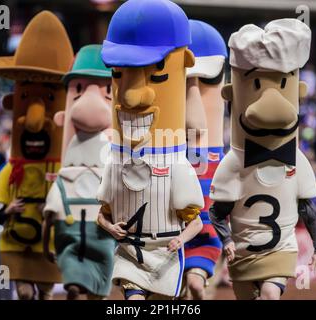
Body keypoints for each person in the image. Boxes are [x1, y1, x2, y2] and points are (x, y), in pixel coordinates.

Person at [209, 19, 316, 300]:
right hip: (243, 253)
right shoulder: (234, 163)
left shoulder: (296, 161)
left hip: (280, 250)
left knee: (271, 296)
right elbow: (216, 211)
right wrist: (226, 239)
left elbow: (308, 210)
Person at [97, 0, 204, 300]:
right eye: (119, 74)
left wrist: (180, 240)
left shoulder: (176, 165)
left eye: (157, 75)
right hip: (131, 253)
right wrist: (110, 228)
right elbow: (101, 214)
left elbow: (194, 220)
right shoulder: (115, 161)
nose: (131, 97)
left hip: (166, 257)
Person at [0, 11, 74, 300]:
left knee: (46, 293)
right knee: (24, 293)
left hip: (48, 242)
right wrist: (8, 210)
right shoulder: (10, 171)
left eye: (49, 97)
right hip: (18, 239)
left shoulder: (62, 169)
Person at [43, 44, 116, 300]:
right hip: (100, 226)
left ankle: (75, 283)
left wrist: (45, 244)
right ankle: (80, 285)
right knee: (101, 283)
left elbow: (48, 216)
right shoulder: (109, 168)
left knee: (74, 265)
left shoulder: (66, 176)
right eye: (79, 89)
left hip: (76, 223)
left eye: (108, 90)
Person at [182, 19, 227, 300]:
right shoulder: (162, 150)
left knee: (197, 288)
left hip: (205, 230)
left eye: (207, 79)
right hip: (166, 232)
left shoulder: (222, 157)